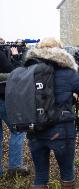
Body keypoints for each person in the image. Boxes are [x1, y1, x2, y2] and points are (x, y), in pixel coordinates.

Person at [25, 37, 79, 188]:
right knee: (67, 172)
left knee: (40, 175)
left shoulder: (28, 70)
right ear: (59, 51)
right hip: (61, 130)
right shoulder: (66, 73)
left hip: (34, 128)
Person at [0, 40, 29, 177]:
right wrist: (16, 56)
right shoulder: (1, 55)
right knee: (17, 130)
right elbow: (17, 72)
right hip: (3, 98)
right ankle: (15, 166)